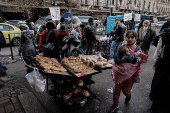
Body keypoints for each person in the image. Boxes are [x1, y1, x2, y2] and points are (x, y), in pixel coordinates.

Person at [108, 30, 147, 113]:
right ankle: (115, 104)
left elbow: (138, 61)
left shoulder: (137, 48)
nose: (129, 39)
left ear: (135, 38)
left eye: (132, 37)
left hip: (130, 75)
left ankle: (128, 95)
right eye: (128, 37)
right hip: (120, 74)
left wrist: (133, 60)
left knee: (126, 91)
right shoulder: (123, 46)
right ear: (125, 38)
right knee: (116, 90)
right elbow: (117, 56)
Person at [149, 28, 170, 113]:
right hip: (164, 65)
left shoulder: (165, 33)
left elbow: (157, 46)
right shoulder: (166, 34)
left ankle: (155, 106)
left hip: (163, 64)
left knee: (159, 85)